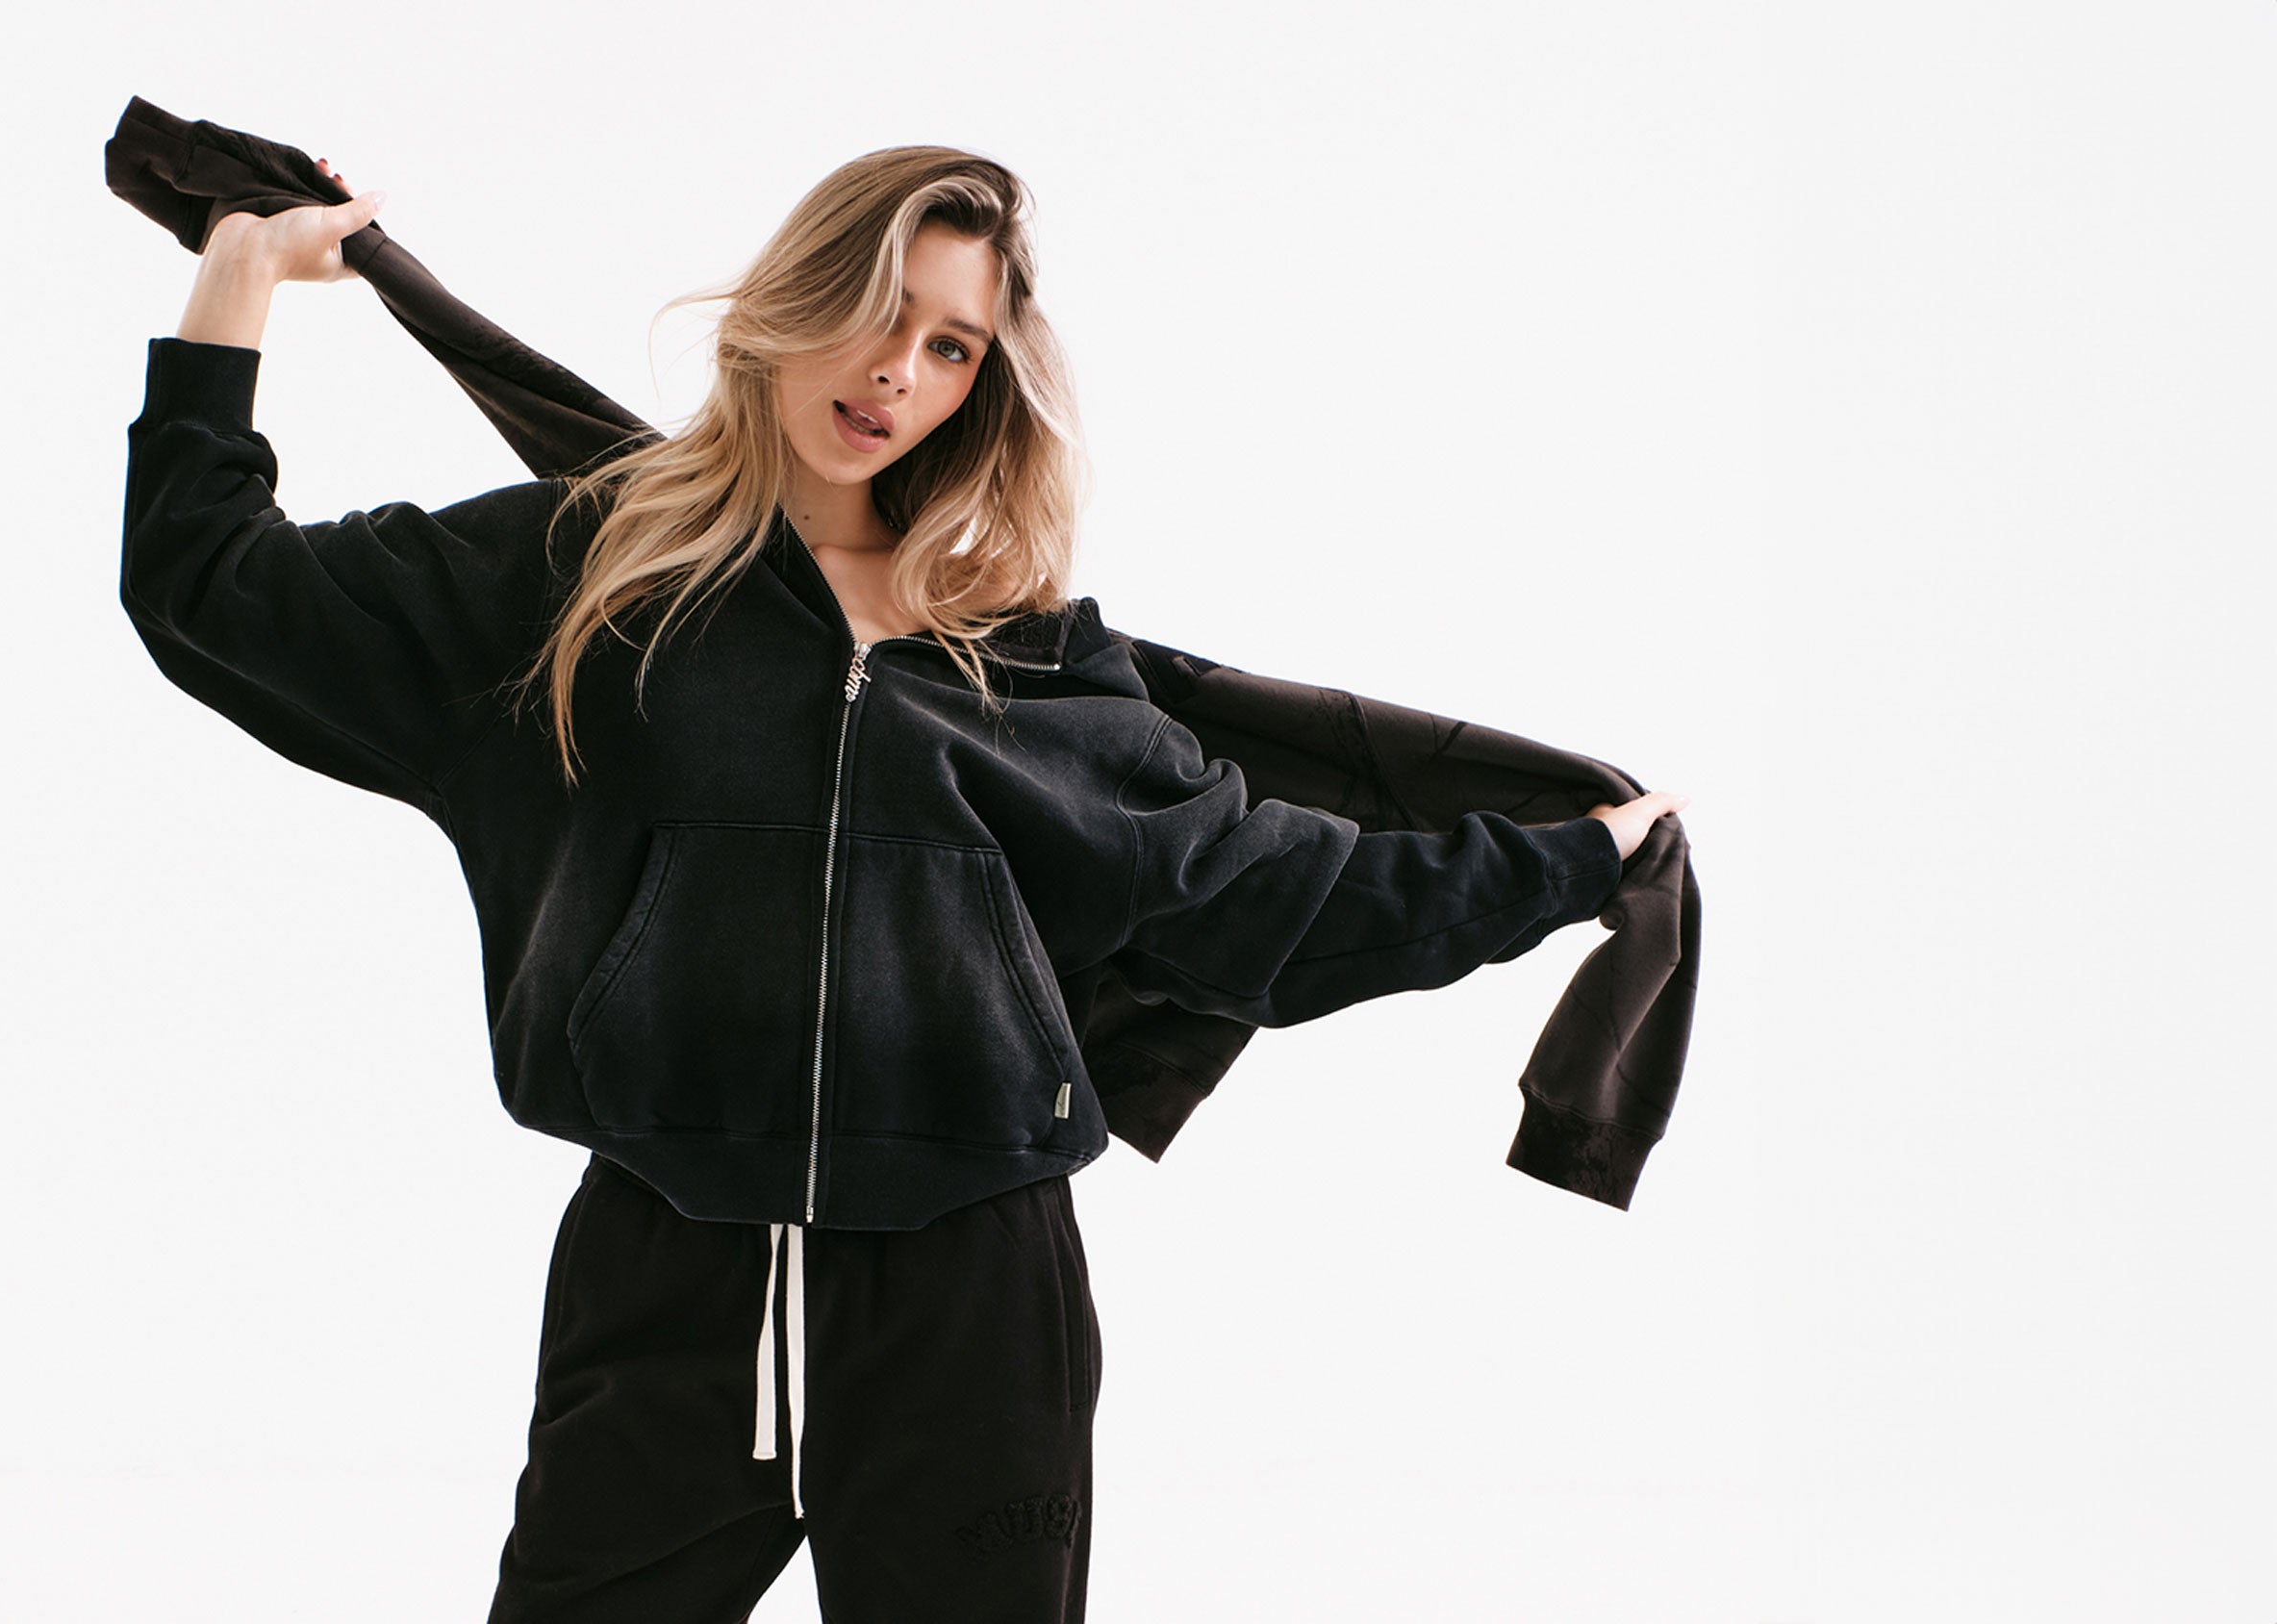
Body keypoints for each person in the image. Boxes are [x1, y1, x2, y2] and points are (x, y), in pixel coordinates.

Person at [122, 145, 1687, 1624]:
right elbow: (210, 586)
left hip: (974, 1309)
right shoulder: (582, 579)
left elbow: (1276, 902)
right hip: (665, 1277)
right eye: (878, 314)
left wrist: (1571, 862)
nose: (896, 374)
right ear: (788, 303)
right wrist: (239, 274)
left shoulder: (1033, 661)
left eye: (949, 348)